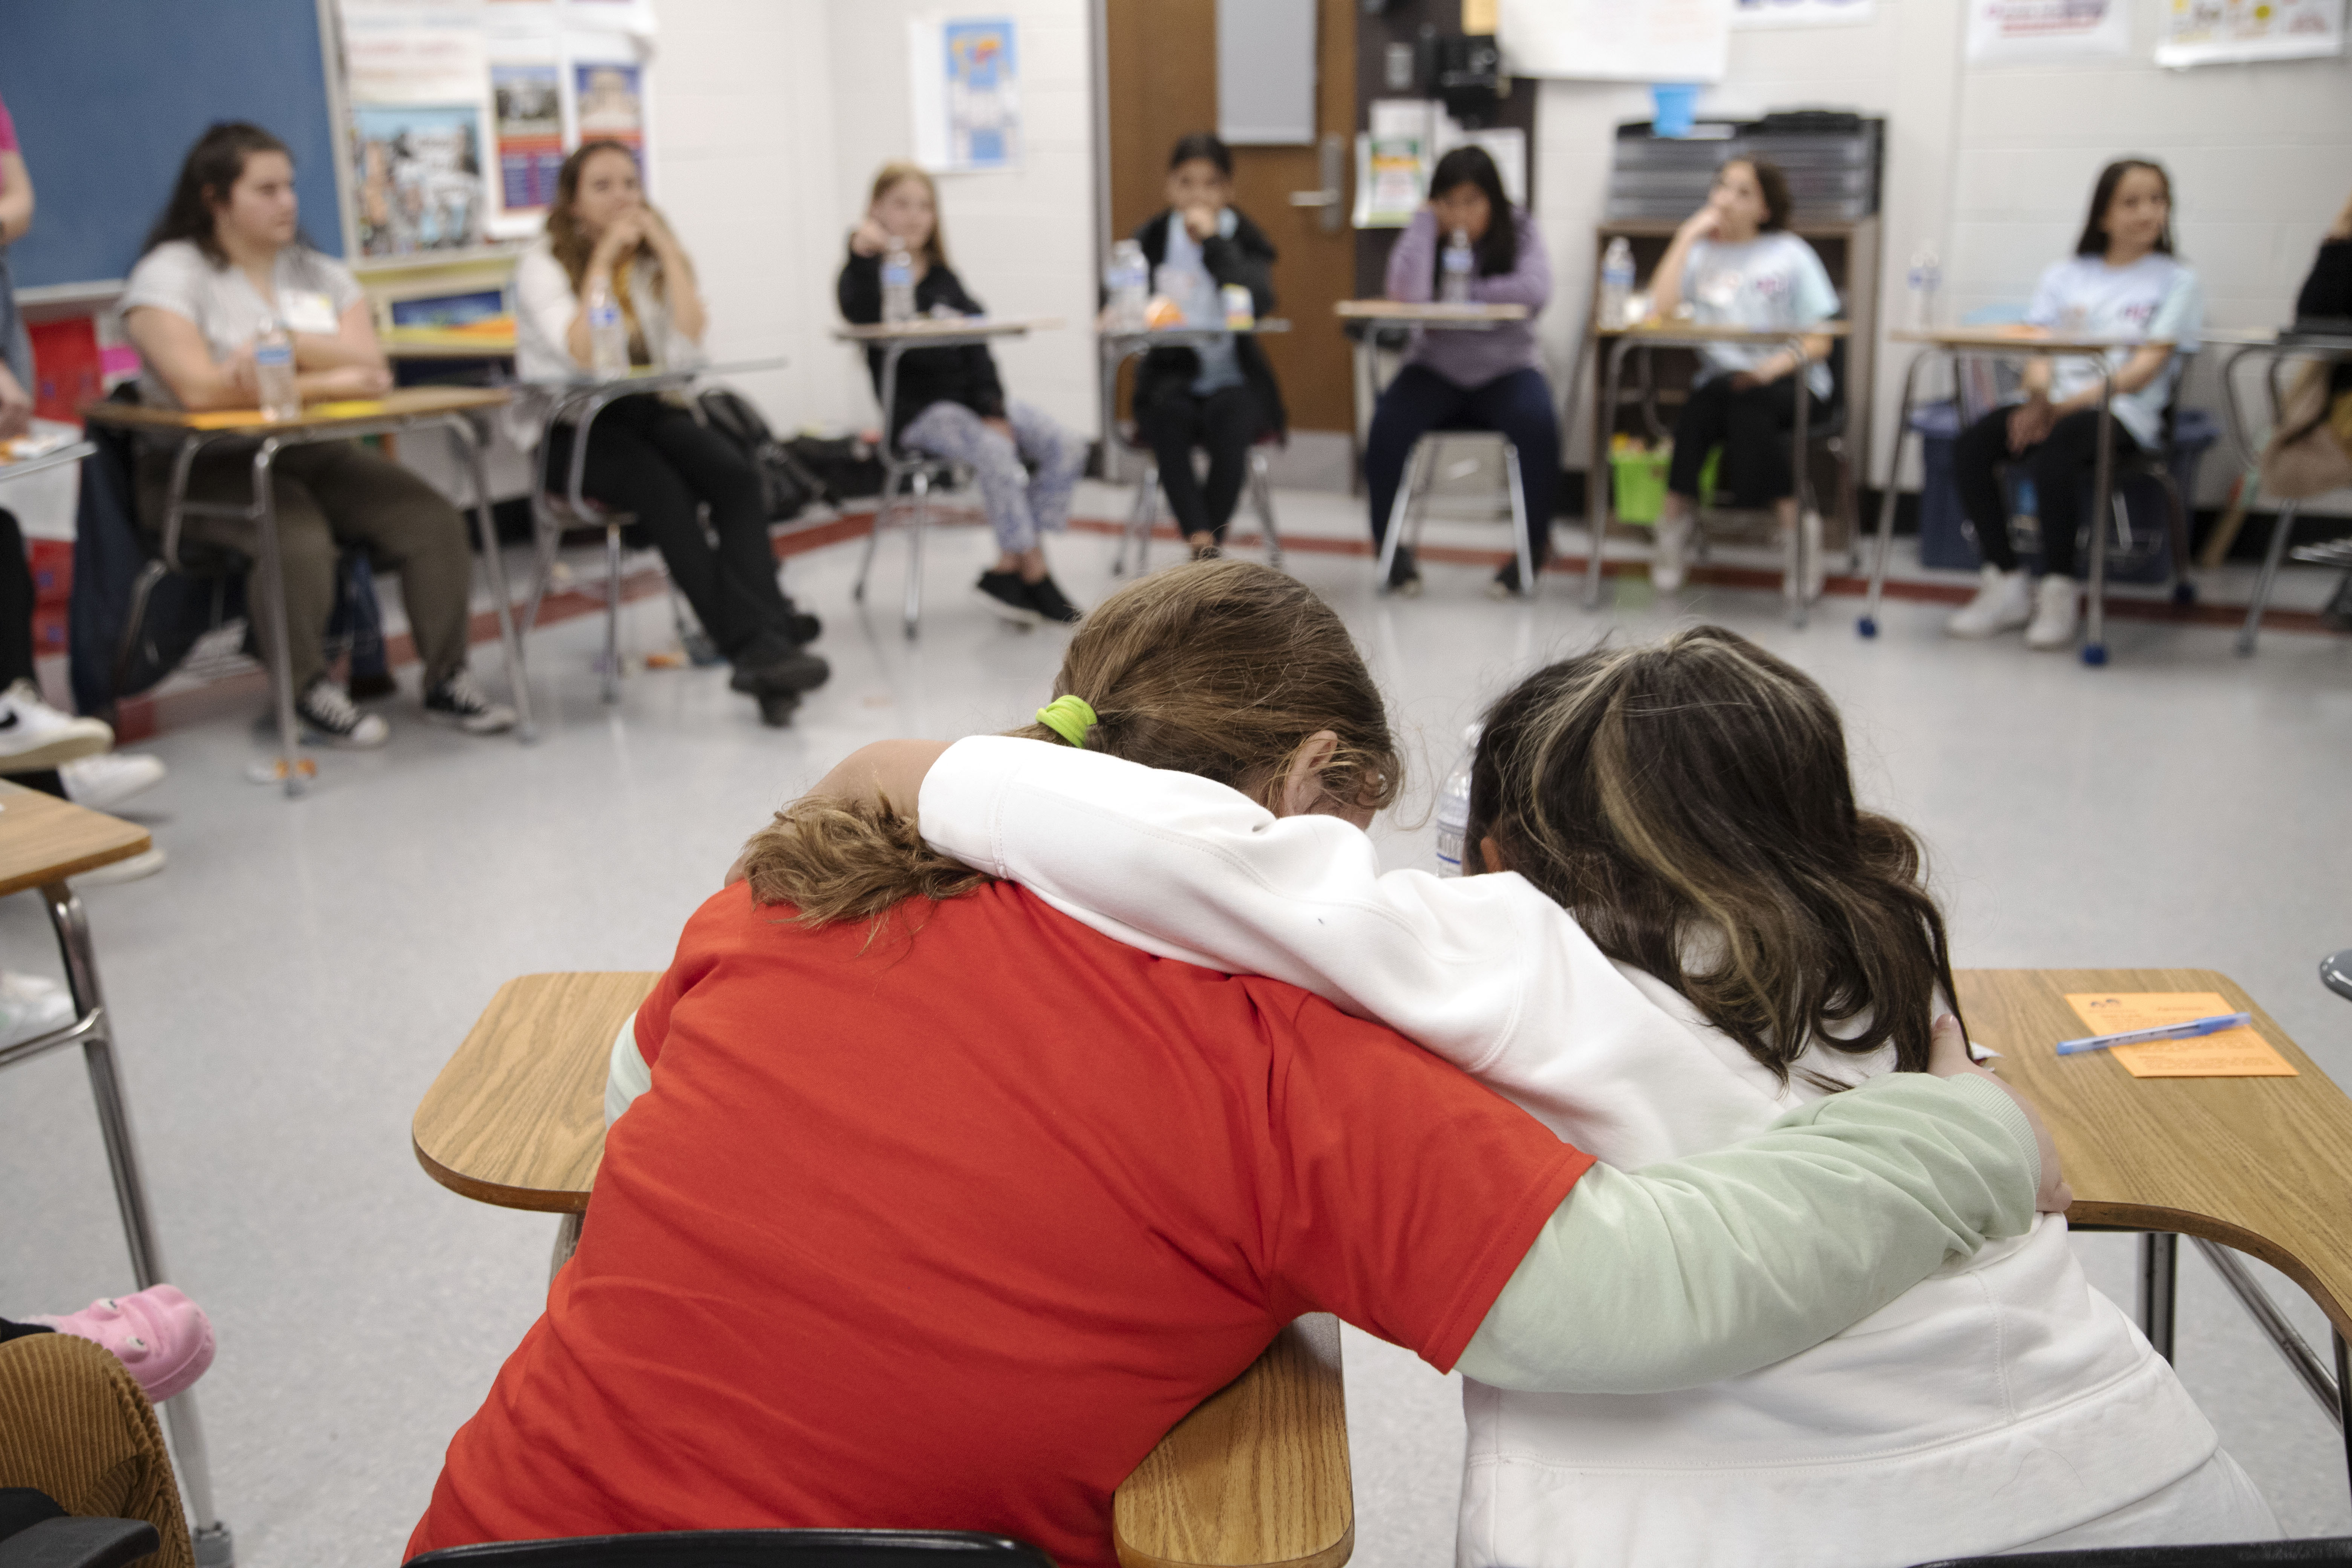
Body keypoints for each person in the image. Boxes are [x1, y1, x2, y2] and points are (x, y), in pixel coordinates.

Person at [416, 560, 2056, 1566]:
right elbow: (1636, 1300)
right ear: (1316, 783)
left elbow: (632, 1130)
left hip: (498, 1536)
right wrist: (1968, 1137)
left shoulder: (792, 890)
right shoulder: (1294, 1057)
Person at [884, 624, 2275, 1565]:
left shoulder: (1508, 944)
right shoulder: (1884, 942)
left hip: (1716, 1532)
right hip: (2144, 1486)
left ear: (1506, 846)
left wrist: (922, 773)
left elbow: (1203, 866)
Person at [119, 121, 515, 746]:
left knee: (431, 518)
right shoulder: (169, 273)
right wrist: (329, 374)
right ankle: (306, 690)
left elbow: (374, 371)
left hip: (309, 452)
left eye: (290, 187)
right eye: (266, 189)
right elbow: (198, 390)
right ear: (214, 198)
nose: (288, 202)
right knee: (295, 532)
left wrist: (283, 348)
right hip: (203, 468)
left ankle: (446, 679)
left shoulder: (316, 273)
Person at [515, 140, 827, 724]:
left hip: (645, 411)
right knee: (665, 492)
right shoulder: (543, 264)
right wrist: (604, 263)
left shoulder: (650, 259)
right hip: (574, 433)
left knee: (732, 473)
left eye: (630, 184)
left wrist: (667, 253)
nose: (622, 198)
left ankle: (765, 646)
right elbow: (582, 354)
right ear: (573, 203)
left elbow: (689, 344)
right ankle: (757, 647)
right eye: (602, 187)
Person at [1946, 159, 2202, 649]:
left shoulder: (2177, 281)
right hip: (2053, 405)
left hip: (2124, 413)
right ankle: (2005, 580)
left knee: (2056, 453)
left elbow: (2142, 370)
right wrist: (2040, 399)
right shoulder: (2066, 276)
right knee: (1974, 444)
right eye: (2132, 202)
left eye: (2158, 200)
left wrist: (2056, 412)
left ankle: (2060, 588)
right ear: (2103, 215)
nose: (2148, 212)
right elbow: (2040, 355)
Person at [839, 162, 1089, 627]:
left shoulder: (945, 279)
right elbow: (857, 311)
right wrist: (861, 255)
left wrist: (993, 407)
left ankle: (1008, 567)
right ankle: (1035, 571)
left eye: (924, 206)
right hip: (920, 414)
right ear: (876, 210)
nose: (914, 217)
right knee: (994, 450)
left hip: (974, 405)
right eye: (901, 205)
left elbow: (979, 348)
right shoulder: (865, 277)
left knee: (1065, 444)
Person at [1365, 146, 1556, 599]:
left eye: (1473, 201)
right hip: (1435, 368)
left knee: (1539, 425)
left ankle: (1529, 555)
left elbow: (1536, 290)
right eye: (1449, 202)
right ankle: (1393, 557)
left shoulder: (1521, 228)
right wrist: (1423, 222)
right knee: (1386, 427)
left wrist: (1465, 293)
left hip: (1507, 369)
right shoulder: (1428, 231)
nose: (1461, 214)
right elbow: (1406, 294)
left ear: (1494, 200)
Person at [1645, 156, 1839, 596]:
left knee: (1747, 404)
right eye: (1722, 187)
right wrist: (1685, 236)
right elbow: (1662, 308)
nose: (1727, 200)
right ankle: (1673, 527)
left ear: (1765, 209)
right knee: (1704, 408)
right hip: (1725, 383)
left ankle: (1798, 541)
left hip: (1789, 379)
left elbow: (1819, 342)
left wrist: (1762, 372)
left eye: (1743, 192)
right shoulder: (1701, 254)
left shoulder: (1791, 255)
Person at [1122, 133, 1283, 560]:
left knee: (1233, 420)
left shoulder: (1243, 238)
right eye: (1186, 182)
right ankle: (1203, 544)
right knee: (1165, 415)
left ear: (1228, 190)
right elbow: (1126, 301)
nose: (1198, 194)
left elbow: (1260, 301)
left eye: (1210, 184)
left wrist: (1214, 242)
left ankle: (1205, 545)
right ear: (1170, 187)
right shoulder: (1152, 239)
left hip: (1232, 374)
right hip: (1171, 373)